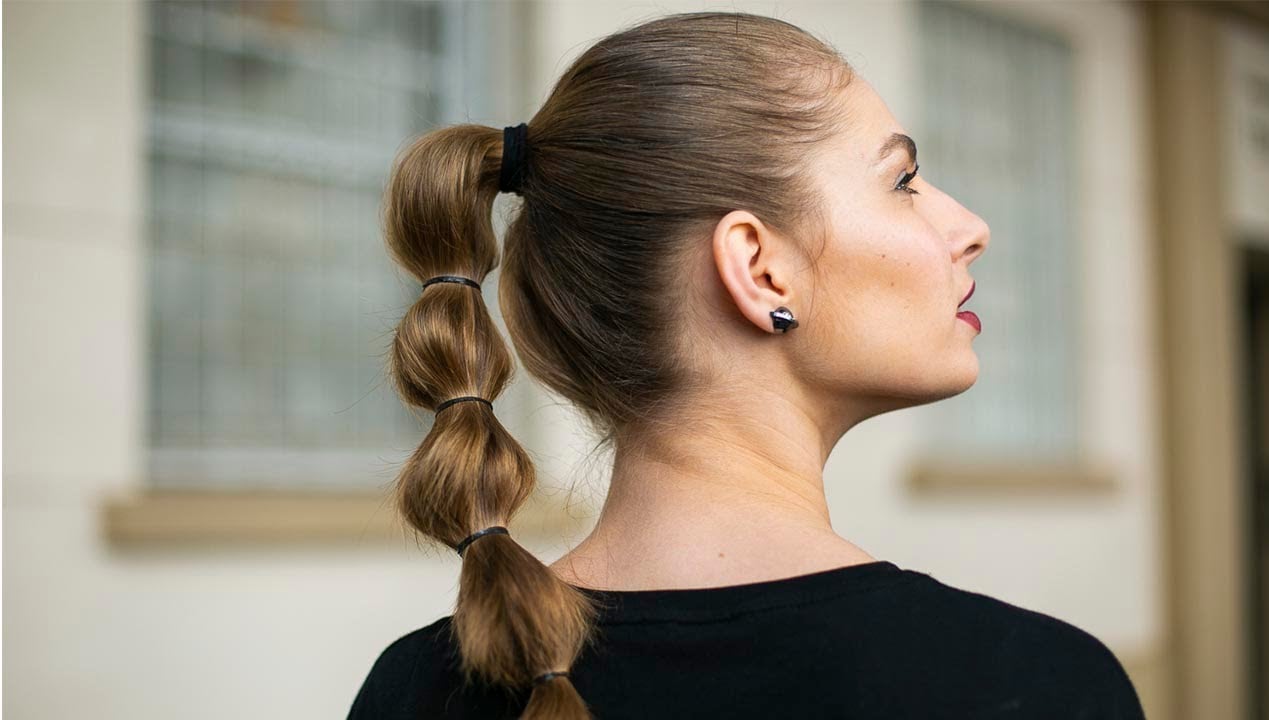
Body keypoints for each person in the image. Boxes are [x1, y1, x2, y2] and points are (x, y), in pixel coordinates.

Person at [347, 10, 1145, 720]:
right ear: (760, 271)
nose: (970, 227)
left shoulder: (417, 690)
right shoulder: (1033, 685)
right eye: (902, 181)